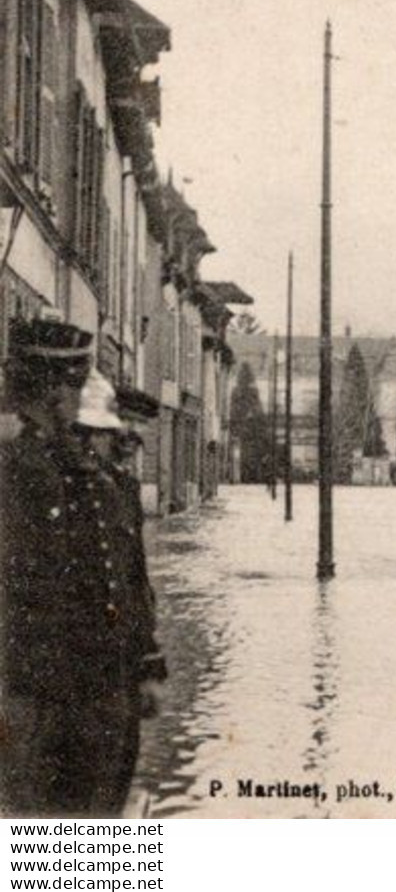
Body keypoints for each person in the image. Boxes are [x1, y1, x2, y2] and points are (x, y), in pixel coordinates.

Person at [1, 327, 165, 817]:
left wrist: (146, 668)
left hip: (106, 696)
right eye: (69, 390)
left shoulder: (105, 488)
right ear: (50, 394)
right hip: (33, 697)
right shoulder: (15, 473)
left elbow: (129, 584)